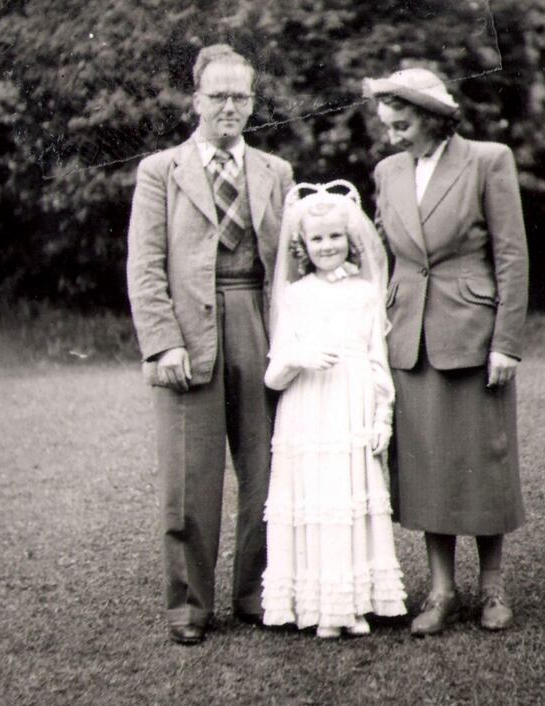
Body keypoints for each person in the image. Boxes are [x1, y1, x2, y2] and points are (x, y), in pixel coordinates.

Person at [127, 44, 293, 645]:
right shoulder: (160, 170)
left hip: (257, 318)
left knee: (266, 467)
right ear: (195, 100)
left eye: (240, 96)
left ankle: (257, 592)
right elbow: (144, 267)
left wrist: (295, 338)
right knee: (189, 476)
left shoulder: (276, 171)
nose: (229, 106)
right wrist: (163, 343)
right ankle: (189, 605)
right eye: (217, 95)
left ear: (252, 102)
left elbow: (288, 267)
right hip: (187, 329)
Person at [362, 67, 529, 635]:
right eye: (387, 127)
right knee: (425, 463)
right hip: (407, 333)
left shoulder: (488, 159)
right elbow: (382, 253)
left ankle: (492, 588)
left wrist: (506, 342)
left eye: (402, 125)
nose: (393, 137)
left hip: (474, 333)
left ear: (432, 117)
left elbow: (511, 256)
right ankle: (440, 590)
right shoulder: (387, 171)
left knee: (483, 460)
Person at [261, 181, 407, 639]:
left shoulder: (365, 292)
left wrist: (383, 415)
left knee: (350, 500)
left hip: (352, 403)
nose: (327, 246)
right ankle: (320, 607)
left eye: (335, 237)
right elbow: (273, 375)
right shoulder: (295, 295)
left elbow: (377, 359)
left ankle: (356, 603)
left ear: (351, 238)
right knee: (317, 501)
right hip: (308, 407)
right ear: (302, 245)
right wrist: (298, 359)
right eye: (317, 239)